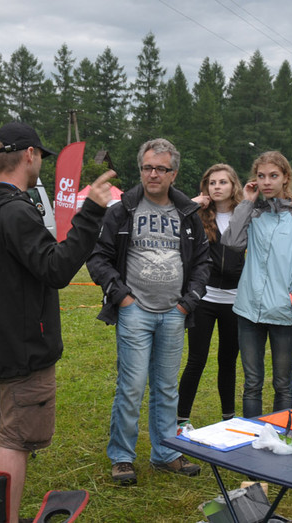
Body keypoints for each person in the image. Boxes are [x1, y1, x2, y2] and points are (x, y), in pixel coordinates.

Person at [0, 121, 114, 523]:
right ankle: (3, 519)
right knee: (16, 439)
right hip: (22, 346)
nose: (41, 161)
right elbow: (56, 269)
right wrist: (91, 211)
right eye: (41, 155)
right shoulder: (15, 211)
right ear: (30, 155)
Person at [86, 138, 211, 486]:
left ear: (174, 173)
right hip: (134, 311)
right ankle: (122, 456)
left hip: (175, 312)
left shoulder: (187, 215)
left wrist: (190, 301)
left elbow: (203, 261)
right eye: (147, 167)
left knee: (167, 387)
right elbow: (98, 258)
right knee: (131, 386)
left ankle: (166, 453)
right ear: (141, 169)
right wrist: (121, 296)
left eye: (161, 168)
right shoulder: (121, 210)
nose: (153, 174)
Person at [221, 151, 292, 419]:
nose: (267, 182)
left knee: (282, 384)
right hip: (248, 313)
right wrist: (246, 202)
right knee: (251, 384)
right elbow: (232, 243)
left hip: (284, 314)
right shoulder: (252, 214)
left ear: (285, 178)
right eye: (261, 176)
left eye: (273, 176)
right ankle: (253, 447)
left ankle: (282, 440)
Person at [177, 164, 246, 428]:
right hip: (203, 299)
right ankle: (181, 419)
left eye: (222, 182)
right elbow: (173, 219)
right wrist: (192, 204)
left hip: (235, 300)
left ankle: (229, 418)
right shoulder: (197, 214)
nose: (216, 187)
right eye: (211, 182)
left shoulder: (244, 215)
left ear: (233, 186)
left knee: (228, 361)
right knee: (197, 359)